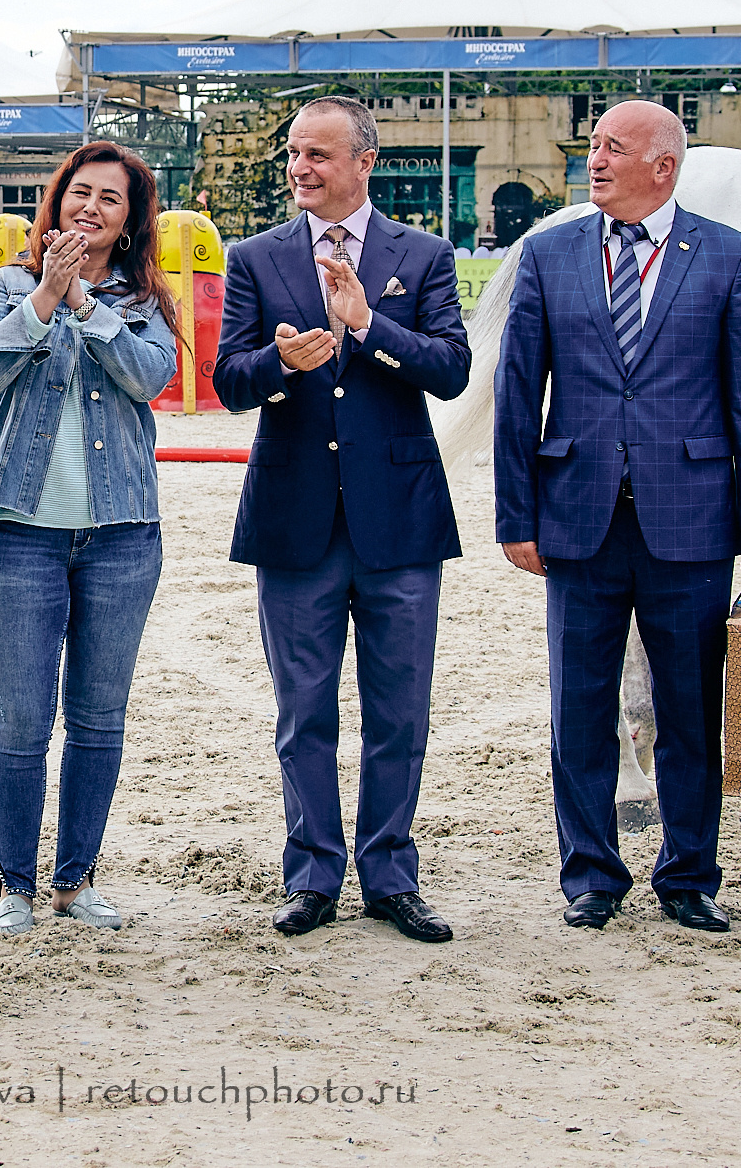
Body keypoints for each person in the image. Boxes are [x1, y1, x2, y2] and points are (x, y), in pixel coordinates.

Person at [494, 101, 741, 935]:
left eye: (612, 148)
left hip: (693, 521)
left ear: (664, 164)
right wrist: (517, 513)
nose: (595, 160)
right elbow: (519, 395)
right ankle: (591, 874)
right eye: (592, 147)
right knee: (578, 708)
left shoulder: (729, 256)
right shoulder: (548, 253)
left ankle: (690, 876)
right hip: (575, 520)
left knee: (692, 708)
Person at [210, 97, 470, 943]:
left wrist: (370, 325)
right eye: (293, 152)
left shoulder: (424, 255)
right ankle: (313, 874)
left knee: (400, 712)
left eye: (318, 153)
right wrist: (277, 363)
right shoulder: (253, 257)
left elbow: (452, 371)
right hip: (294, 519)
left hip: (400, 521)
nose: (299, 167)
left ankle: (391, 876)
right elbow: (228, 380)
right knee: (304, 712)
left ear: (365, 160)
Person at [0, 144, 179, 935]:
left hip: (122, 534)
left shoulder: (144, 297)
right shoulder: (8, 283)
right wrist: (47, 297)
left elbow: (149, 376)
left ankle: (75, 879)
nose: (91, 207)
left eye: (110, 200)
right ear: (53, 205)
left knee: (98, 716)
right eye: (78, 193)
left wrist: (89, 306)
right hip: (20, 534)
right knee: (20, 720)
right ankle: (15, 885)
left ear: (128, 223)